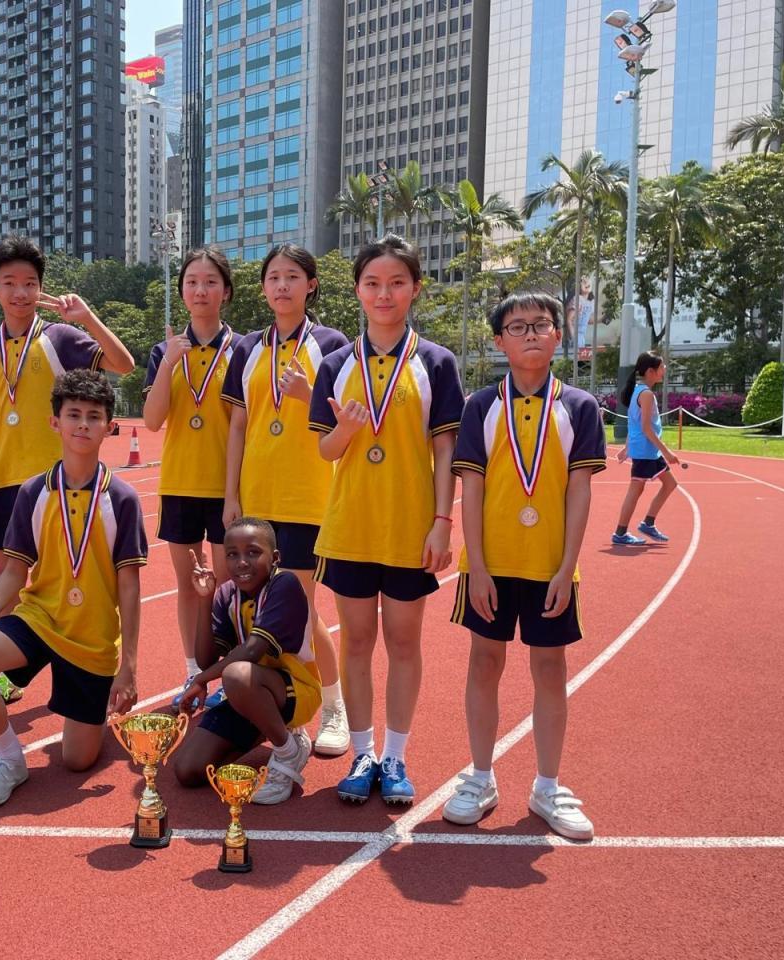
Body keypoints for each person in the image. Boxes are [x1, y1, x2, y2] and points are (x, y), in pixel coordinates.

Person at [443, 292, 607, 841]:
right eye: (517, 327)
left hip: (550, 566)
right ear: (499, 341)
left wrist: (567, 566)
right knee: (484, 663)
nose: (531, 333)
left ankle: (547, 786)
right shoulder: (480, 406)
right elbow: (471, 489)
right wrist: (477, 567)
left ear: (559, 335)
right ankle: (480, 777)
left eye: (541, 324)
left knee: (551, 669)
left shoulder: (579, 406)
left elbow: (580, 491)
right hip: (490, 563)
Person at [309, 235, 465, 805]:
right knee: (355, 641)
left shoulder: (436, 362)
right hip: (351, 526)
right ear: (357, 289)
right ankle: (362, 753)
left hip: (408, 525)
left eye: (396, 282)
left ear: (415, 289)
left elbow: (446, 449)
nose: (384, 293)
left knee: (403, 641)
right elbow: (325, 450)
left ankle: (395, 755)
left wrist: (443, 521)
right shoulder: (334, 364)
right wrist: (346, 432)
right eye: (373, 283)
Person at [0, 370, 147, 809]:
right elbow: (13, 573)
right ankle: (9, 761)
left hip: (92, 637)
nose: (83, 424)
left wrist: (129, 667)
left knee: (77, 761)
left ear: (109, 427)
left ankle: (93, 714)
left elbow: (129, 587)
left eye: (94, 416)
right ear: (54, 422)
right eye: (73, 414)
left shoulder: (122, 499)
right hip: (39, 618)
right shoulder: (33, 492)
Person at [0, 236, 135, 703]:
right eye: (9, 283)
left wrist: (88, 318)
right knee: (12, 586)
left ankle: (82, 669)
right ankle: (12, 675)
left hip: (58, 485)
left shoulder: (60, 337)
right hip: (5, 485)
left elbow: (123, 364)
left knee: (73, 583)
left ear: (41, 287)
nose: (20, 292)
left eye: (30, 283)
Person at [222, 243, 350, 758]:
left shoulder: (333, 345)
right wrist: (231, 495)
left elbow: (347, 419)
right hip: (258, 499)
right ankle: (287, 712)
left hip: (308, 496)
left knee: (302, 611)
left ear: (310, 285)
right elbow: (238, 424)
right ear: (262, 288)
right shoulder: (248, 348)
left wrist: (307, 393)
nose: (282, 285)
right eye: (273, 277)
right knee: (261, 613)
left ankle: (334, 705)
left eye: (292, 276)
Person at [142, 247, 236, 709]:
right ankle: (194, 672)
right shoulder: (164, 350)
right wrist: (167, 365)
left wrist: (235, 493)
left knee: (226, 589)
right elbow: (152, 420)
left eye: (211, 281)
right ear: (181, 291)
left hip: (226, 488)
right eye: (192, 282)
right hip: (179, 484)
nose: (201, 290)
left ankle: (228, 676)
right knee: (188, 586)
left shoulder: (243, 350)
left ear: (226, 291)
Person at [171, 517, 320, 804]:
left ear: (275, 557)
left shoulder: (284, 585)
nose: (241, 562)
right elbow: (205, 658)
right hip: (248, 695)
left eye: (253, 552)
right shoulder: (228, 594)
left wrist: (201, 680)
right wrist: (205, 599)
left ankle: (288, 752)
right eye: (232, 554)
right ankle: (271, 730)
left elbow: (251, 651)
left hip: (297, 691)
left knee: (236, 674)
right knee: (188, 770)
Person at [612, 351, 679, 545]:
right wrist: (667, 451)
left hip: (646, 450)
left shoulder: (638, 391)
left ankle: (647, 523)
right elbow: (645, 428)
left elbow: (634, 424)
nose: (664, 369)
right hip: (646, 451)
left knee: (669, 484)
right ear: (651, 371)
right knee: (636, 490)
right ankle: (621, 532)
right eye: (662, 366)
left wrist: (626, 448)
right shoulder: (646, 394)